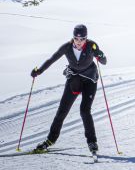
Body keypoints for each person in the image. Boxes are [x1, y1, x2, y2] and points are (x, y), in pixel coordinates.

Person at [30, 24, 107, 155]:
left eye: (82, 39)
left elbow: (103, 61)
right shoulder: (66, 47)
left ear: (86, 38)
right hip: (74, 80)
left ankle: (92, 142)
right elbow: (51, 59)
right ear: (73, 38)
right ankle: (50, 140)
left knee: (84, 110)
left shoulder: (91, 45)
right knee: (62, 111)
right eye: (76, 38)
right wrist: (39, 71)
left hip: (89, 80)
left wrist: (100, 55)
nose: (79, 42)